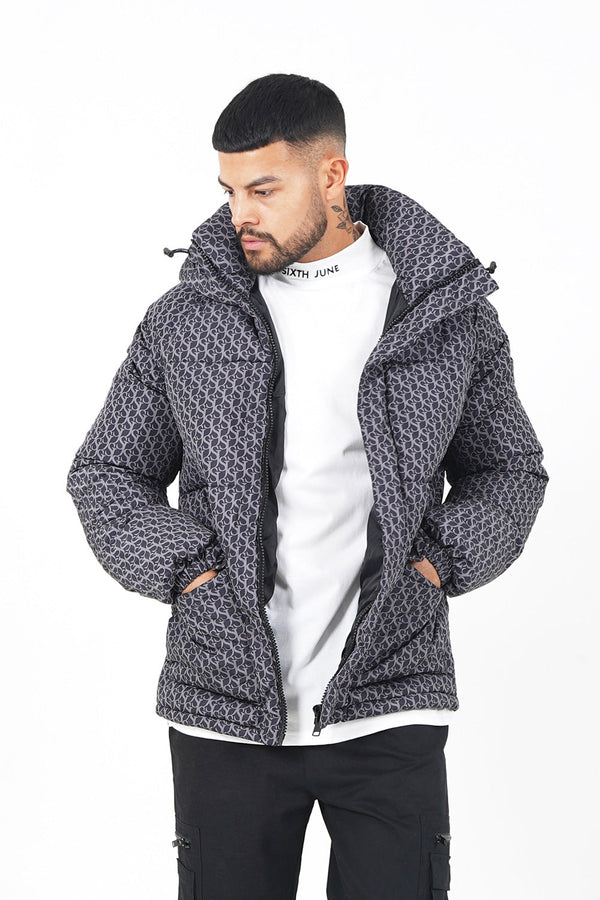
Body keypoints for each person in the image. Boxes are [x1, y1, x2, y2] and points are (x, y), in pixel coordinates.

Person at [66, 73, 549, 899]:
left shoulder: (442, 311)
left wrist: (436, 565)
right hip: (225, 704)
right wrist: (191, 574)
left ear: (332, 176)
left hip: (391, 695)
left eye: (263, 189)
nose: (240, 214)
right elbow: (107, 472)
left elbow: (508, 468)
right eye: (229, 191)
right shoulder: (187, 318)